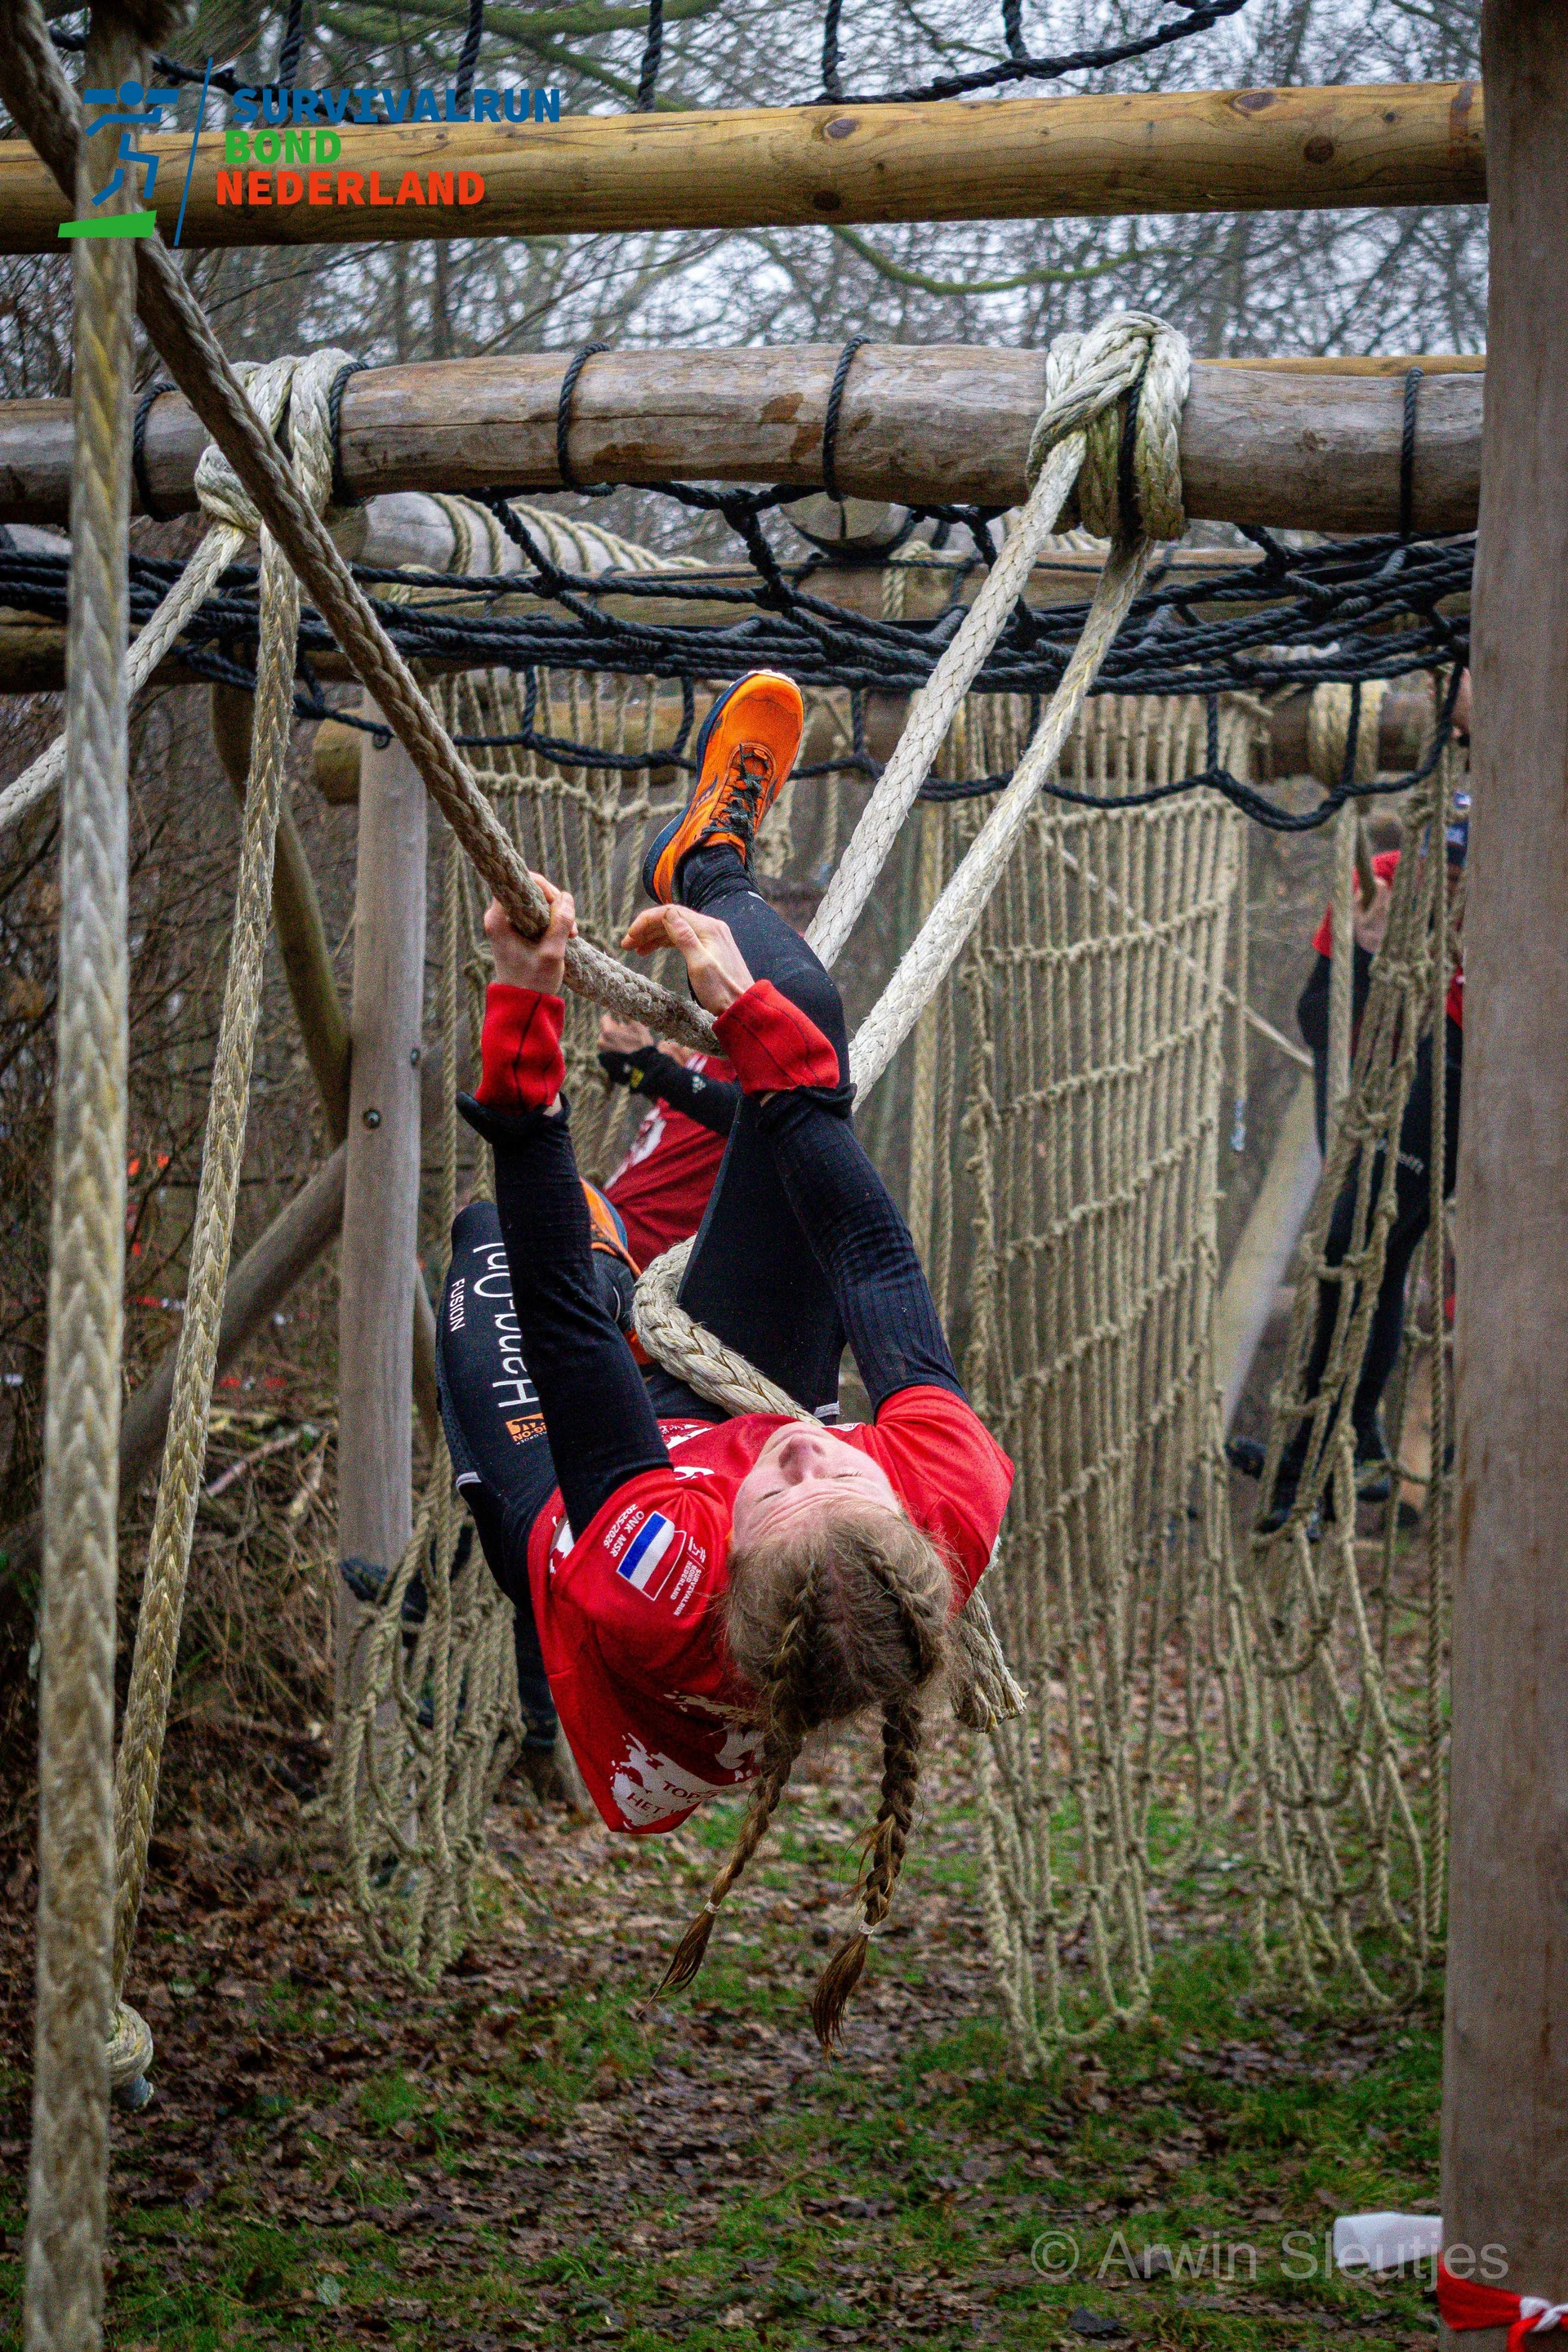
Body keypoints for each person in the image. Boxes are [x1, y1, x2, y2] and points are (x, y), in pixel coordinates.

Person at [435, 670, 1013, 2043]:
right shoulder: (944, 1493)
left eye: (787, 1478)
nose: (816, 1438)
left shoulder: (657, 1573)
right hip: (724, 1442)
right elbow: (871, 1256)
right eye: (842, 1466)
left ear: (733, 1547)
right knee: (802, 1001)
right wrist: (752, 1026)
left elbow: (576, 1331)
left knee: (502, 1237)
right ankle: (705, 857)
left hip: (575, 1524)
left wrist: (525, 1013)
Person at [1260, 674, 1470, 1531]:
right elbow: (1319, 1013)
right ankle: (1356, 1446)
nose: (1452, 880)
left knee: (1357, 1253)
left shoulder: (1521, 909)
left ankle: (1304, 1479)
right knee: (1364, 1271)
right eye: (1445, 859)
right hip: (1364, 1087)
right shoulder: (1383, 879)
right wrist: (1371, 951)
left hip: (1447, 1089)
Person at [595, 1015, 740, 1267]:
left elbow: (741, 1113)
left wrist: (650, 1065)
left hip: (636, 1258)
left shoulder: (755, 1050)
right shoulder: (709, 1041)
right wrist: (643, 1072)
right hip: (607, 1229)